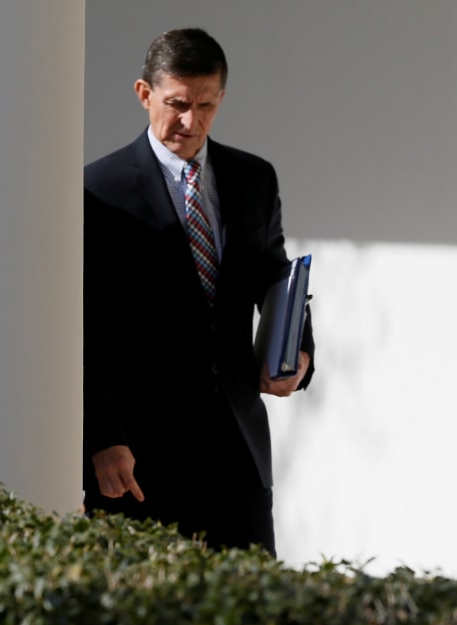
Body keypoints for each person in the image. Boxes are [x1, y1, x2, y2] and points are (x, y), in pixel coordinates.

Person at [83, 27, 315, 555]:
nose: (191, 121)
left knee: (255, 607)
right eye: (177, 104)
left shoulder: (254, 179)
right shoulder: (97, 190)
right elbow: (87, 325)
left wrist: (298, 352)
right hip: (139, 459)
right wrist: (101, 439)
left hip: (239, 452)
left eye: (206, 105)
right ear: (145, 94)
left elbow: (274, 275)